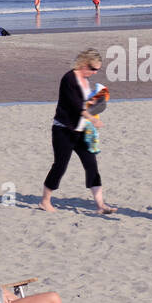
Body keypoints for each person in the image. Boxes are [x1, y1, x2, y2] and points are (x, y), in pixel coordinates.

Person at [39, 48, 116, 215]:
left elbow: (87, 104)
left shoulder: (86, 81)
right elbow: (77, 106)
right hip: (63, 130)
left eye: (97, 70)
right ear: (83, 63)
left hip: (81, 131)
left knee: (91, 165)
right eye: (93, 68)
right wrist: (93, 119)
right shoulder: (69, 79)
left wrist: (100, 101)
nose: (95, 72)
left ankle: (100, 205)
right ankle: (45, 201)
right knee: (60, 165)